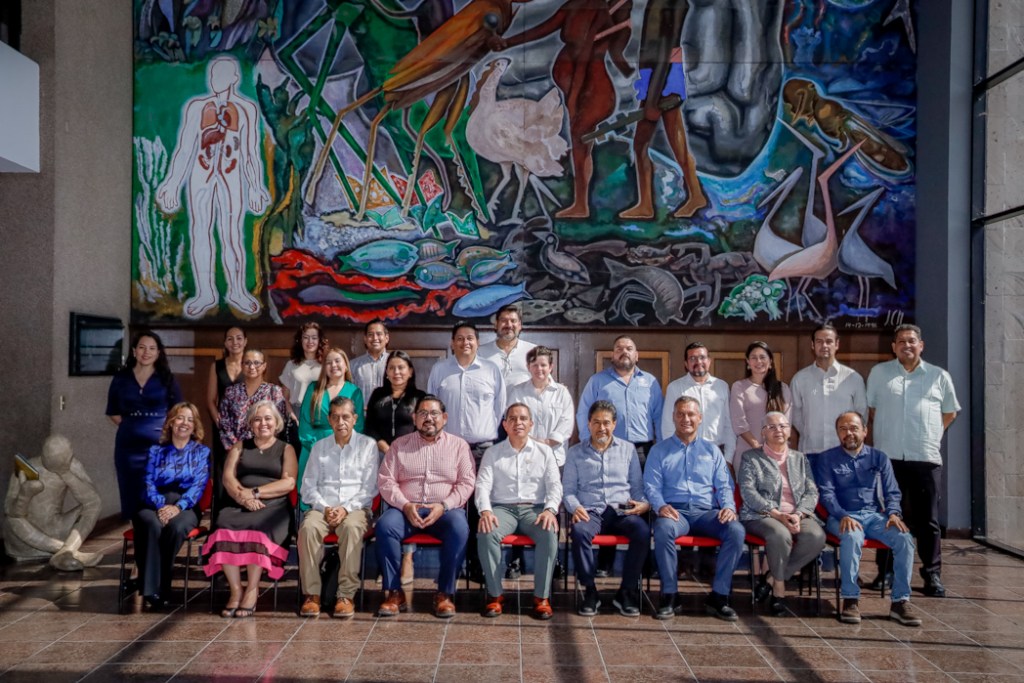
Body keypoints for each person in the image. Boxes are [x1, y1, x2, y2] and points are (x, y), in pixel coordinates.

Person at [155, 54, 270, 319]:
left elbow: (251, 153)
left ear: (234, 78)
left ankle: (237, 290)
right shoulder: (197, 107)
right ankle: (205, 293)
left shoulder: (246, 109)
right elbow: (185, 148)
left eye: (221, 75)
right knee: (200, 231)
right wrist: (172, 184)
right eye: (213, 75)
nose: (215, 79)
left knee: (232, 235)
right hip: (201, 175)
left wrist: (255, 187)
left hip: (232, 176)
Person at [867, 324, 960, 597]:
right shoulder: (879, 373)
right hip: (889, 458)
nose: (906, 345)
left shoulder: (938, 376)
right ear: (893, 347)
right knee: (888, 515)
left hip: (925, 458)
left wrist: (932, 434)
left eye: (911, 341)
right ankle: (886, 571)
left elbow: (950, 412)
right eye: (901, 341)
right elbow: (872, 410)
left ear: (921, 345)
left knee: (927, 520)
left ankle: (932, 575)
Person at [816, 411, 922, 626]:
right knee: (852, 536)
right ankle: (850, 599)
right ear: (837, 433)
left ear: (865, 431)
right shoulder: (826, 458)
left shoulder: (879, 458)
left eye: (854, 428)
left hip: (874, 516)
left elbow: (892, 491)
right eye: (843, 429)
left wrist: (893, 513)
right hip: (841, 516)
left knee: (904, 538)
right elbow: (826, 494)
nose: (849, 433)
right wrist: (843, 515)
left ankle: (900, 601)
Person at [376, 395, 476, 619]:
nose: (428, 418)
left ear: (444, 418)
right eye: (423, 413)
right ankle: (394, 593)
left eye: (434, 413)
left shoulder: (459, 446)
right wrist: (405, 505)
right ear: (414, 418)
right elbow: (386, 480)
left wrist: (444, 505)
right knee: (385, 526)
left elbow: (467, 482)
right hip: (406, 510)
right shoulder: (399, 445)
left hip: (444, 512)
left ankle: (444, 593)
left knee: (460, 527)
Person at [645, 396, 744, 621]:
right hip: (675, 512)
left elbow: (724, 485)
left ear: (700, 418)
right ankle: (670, 595)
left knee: (736, 531)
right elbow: (651, 486)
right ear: (673, 417)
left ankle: (719, 596)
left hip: (706, 513)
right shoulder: (659, 450)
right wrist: (660, 506)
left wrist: (728, 507)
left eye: (691, 414)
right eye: (680, 414)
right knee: (663, 529)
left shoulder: (712, 451)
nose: (686, 419)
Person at [202, 401, 297, 618]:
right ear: (250, 424)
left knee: (258, 527)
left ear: (276, 422)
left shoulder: (286, 448)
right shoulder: (239, 446)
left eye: (268, 418)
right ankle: (236, 590)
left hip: (272, 505)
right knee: (222, 524)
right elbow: (228, 478)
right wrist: (242, 498)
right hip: (239, 501)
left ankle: (252, 589)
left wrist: (254, 493)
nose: (263, 423)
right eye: (257, 419)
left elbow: (289, 483)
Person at [427, 321, 505, 580]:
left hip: (483, 450)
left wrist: (482, 431)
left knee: (480, 507)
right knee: (452, 507)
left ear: (478, 342)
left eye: (470, 338)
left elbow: (499, 409)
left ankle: (478, 564)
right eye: (459, 338)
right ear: (452, 343)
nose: (465, 342)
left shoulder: (491, 370)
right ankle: (453, 565)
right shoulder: (440, 370)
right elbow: (431, 408)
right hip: (448, 450)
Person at [619, 0, 707, 220]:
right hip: (655, 74)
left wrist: (652, 98)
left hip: (663, 76)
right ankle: (651, 203)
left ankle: (656, 203)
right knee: (659, 143)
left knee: (649, 143)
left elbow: (666, 49)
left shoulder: (672, 3)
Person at [564, 400, 650, 617]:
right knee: (579, 531)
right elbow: (568, 491)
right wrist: (575, 507)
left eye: (606, 423)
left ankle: (626, 591)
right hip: (590, 510)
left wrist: (644, 503)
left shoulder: (628, 449)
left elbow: (637, 487)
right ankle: (590, 591)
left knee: (642, 531)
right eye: (596, 422)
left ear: (614, 424)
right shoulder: (575, 452)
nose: (601, 428)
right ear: (588, 424)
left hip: (621, 510)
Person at [476, 403, 562, 620]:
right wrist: (485, 511)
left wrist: (550, 510)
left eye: (523, 418)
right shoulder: (493, 453)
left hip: (535, 509)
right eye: (512, 419)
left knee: (549, 534)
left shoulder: (545, 452)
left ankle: (541, 597)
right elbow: (482, 486)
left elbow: (555, 485)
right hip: (502, 509)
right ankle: (495, 595)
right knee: (486, 532)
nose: (518, 423)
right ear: (505, 425)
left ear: (531, 424)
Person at [298, 397, 378, 618]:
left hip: (355, 509)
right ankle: (312, 594)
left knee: (351, 528)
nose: (340, 422)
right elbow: (308, 486)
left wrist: (345, 509)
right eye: (335, 417)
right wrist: (325, 508)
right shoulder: (319, 447)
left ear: (355, 419)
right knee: (308, 529)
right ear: (329, 419)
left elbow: (369, 488)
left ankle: (345, 595)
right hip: (322, 508)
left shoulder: (368, 445)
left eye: (345, 417)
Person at [738, 412, 825, 616]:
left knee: (816, 536)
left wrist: (799, 514)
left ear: (789, 431)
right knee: (780, 534)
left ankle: (771, 578)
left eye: (783, 426)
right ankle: (779, 589)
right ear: (763, 433)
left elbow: (811, 491)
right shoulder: (751, 458)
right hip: (762, 515)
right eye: (772, 427)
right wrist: (777, 514)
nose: (778, 430)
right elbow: (748, 492)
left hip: (796, 514)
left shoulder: (800, 458)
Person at [133, 402, 210, 609]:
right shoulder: (155, 450)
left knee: (176, 527)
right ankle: (152, 589)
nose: (184, 423)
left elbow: (199, 485)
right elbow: (148, 481)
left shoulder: (202, 452)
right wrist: (161, 505)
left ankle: (160, 583)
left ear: (195, 426)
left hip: (185, 504)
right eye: (180, 418)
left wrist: (177, 507)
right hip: (153, 502)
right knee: (152, 524)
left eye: (190, 419)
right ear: (171, 422)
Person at [364, 350, 426, 585]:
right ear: (386, 373)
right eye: (392, 368)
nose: (396, 372)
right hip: (381, 456)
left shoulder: (420, 397)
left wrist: (401, 450)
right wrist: (386, 448)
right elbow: (369, 426)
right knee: (384, 510)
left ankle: (408, 557)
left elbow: (425, 427)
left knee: (407, 503)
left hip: (412, 457)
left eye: (401, 367)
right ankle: (388, 562)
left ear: (410, 372)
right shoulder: (378, 394)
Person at [107, 330, 183, 519]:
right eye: (142, 347)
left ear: (158, 353)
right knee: (131, 494)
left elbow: (178, 412)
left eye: (151, 348)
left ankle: (157, 532)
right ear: (134, 351)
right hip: (128, 450)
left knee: (158, 494)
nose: (146, 352)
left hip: (160, 447)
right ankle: (137, 532)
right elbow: (113, 412)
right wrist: (133, 426)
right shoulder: (121, 378)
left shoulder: (167, 378)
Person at [3, 435, 102, 571]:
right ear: (43, 455)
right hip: (26, 532)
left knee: (94, 504)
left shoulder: (73, 466)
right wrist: (24, 495)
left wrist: (65, 473)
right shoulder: (27, 467)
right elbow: (9, 509)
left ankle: (66, 551)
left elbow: (92, 500)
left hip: (56, 528)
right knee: (12, 520)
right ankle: (67, 551)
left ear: (70, 456)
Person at [576, 335, 663, 467]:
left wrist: (662, 446)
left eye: (629, 349)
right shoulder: (597, 381)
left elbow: (659, 416)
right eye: (619, 349)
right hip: (609, 448)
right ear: (612, 356)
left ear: (636, 356)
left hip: (643, 451)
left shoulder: (650, 381)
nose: (624, 352)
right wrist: (587, 443)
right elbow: (583, 412)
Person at [790, 324, 867, 457]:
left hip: (844, 451)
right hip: (811, 451)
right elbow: (795, 413)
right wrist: (809, 432)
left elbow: (862, 412)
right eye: (819, 341)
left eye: (829, 341)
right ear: (812, 345)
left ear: (837, 344)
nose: (824, 345)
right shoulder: (800, 379)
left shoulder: (853, 378)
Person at [297, 347, 364, 484]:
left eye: (337, 361)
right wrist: (316, 447)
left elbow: (358, 426)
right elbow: (304, 422)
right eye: (328, 362)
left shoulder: (355, 392)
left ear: (346, 366)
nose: (333, 365)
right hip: (313, 448)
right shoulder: (313, 389)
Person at [661, 342, 734, 463]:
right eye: (692, 358)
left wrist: (728, 459)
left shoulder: (721, 386)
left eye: (702, 357)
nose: (698, 362)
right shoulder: (674, 388)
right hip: (684, 454)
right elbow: (668, 425)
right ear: (686, 364)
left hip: (716, 454)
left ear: (709, 361)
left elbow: (729, 425)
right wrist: (674, 456)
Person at [507, 346, 574, 469]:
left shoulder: (562, 393)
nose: (539, 369)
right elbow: (513, 422)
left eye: (543, 365)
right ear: (528, 367)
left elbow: (566, 423)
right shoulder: (517, 392)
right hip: (525, 459)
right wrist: (532, 443)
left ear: (551, 367)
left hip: (556, 460)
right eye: (535, 365)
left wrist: (548, 442)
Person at [730, 341, 792, 473]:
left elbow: (786, 423)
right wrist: (757, 446)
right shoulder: (739, 387)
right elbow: (739, 422)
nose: (758, 361)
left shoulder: (782, 388)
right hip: (748, 452)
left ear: (770, 362)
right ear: (748, 362)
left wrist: (771, 450)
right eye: (754, 357)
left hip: (776, 454)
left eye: (762, 357)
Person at [206, 326, 246, 516]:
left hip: (246, 429)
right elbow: (211, 400)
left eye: (239, 338)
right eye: (230, 338)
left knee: (244, 469)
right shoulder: (217, 366)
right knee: (223, 471)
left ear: (245, 341)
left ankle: (242, 516)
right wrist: (221, 425)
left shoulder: (251, 364)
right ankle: (220, 519)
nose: (235, 342)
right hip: (223, 429)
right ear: (225, 343)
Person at [218, 349, 288, 453]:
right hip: (236, 451)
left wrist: (265, 447)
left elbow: (279, 423)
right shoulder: (231, 392)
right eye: (247, 363)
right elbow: (224, 423)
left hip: (267, 451)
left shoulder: (274, 391)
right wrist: (236, 449)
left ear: (264, 366)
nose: (251, 367)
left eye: (256, 363)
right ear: (242, 366)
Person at [279, 322, 327, 426]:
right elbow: (284, 397)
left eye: (314, 338)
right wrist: (292, 417)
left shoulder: (326, 365)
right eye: (306, 337)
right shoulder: (291, 365)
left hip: (320, 414)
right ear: (300, 340)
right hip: (296, 413)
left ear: (319, 341)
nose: (310, 341)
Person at [479, 304, 536, 389]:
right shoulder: (480, 353)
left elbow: (545, 384)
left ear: (520, 325)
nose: (509, 325)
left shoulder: (534, 352)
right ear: (496, 324)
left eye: (513, 321)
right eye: (503, 320)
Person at [349, 319, 390, 409]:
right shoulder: (353, 365)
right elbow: (348, 395)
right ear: (365, 339)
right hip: (361, 416)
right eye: (370, 335)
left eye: (379, 334)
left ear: (386, 338)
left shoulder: (394, 363)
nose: (375, 338)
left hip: (388, 416)